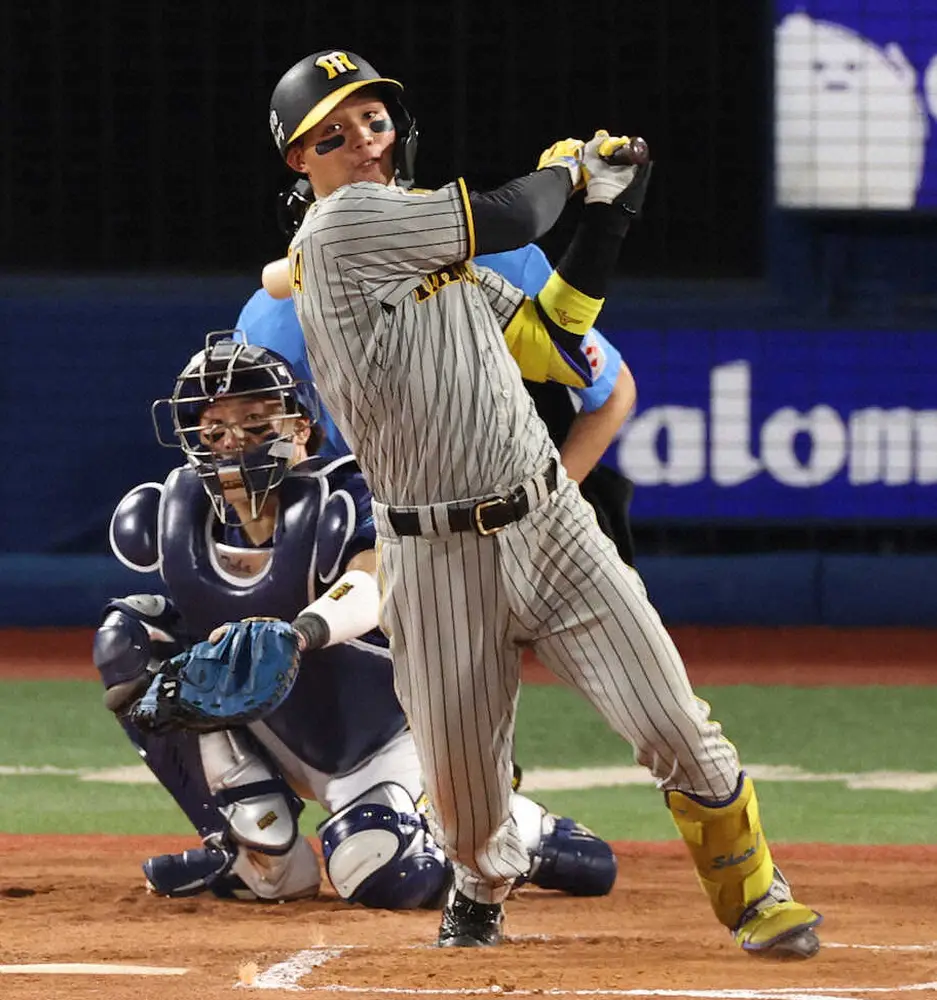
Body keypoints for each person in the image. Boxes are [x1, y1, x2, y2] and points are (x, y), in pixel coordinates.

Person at [265, 48, 822, 954]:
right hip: (433, 554)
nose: (363, 142)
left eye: (372, 121)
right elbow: (511, 212)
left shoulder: (423, 243)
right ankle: (480, 885)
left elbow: (554, 339)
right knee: (465, 791)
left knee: (674, 719)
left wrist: (607, 215)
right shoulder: (340, 233)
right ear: (301, 159)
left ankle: (756, 896)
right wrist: (568, 171)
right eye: (332, 133)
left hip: (549, 521)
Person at [93, 335, 618, 907]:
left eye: (255, 422)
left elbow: (374, 582)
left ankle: (516, 828)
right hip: (281, 737)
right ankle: (253, 852)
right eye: (215, 428)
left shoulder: (350, 492)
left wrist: (301, 632)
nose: (233, 442)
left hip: (392, 733)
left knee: (386, 874)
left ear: (301, 429)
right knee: (130, 639)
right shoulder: (173, 517)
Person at [237, 181, 638, 560]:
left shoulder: (497, 265)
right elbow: (267, 456)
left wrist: (542, 511)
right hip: (386, 534)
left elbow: (614, 393)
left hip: (534, 502)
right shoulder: (267, 326)